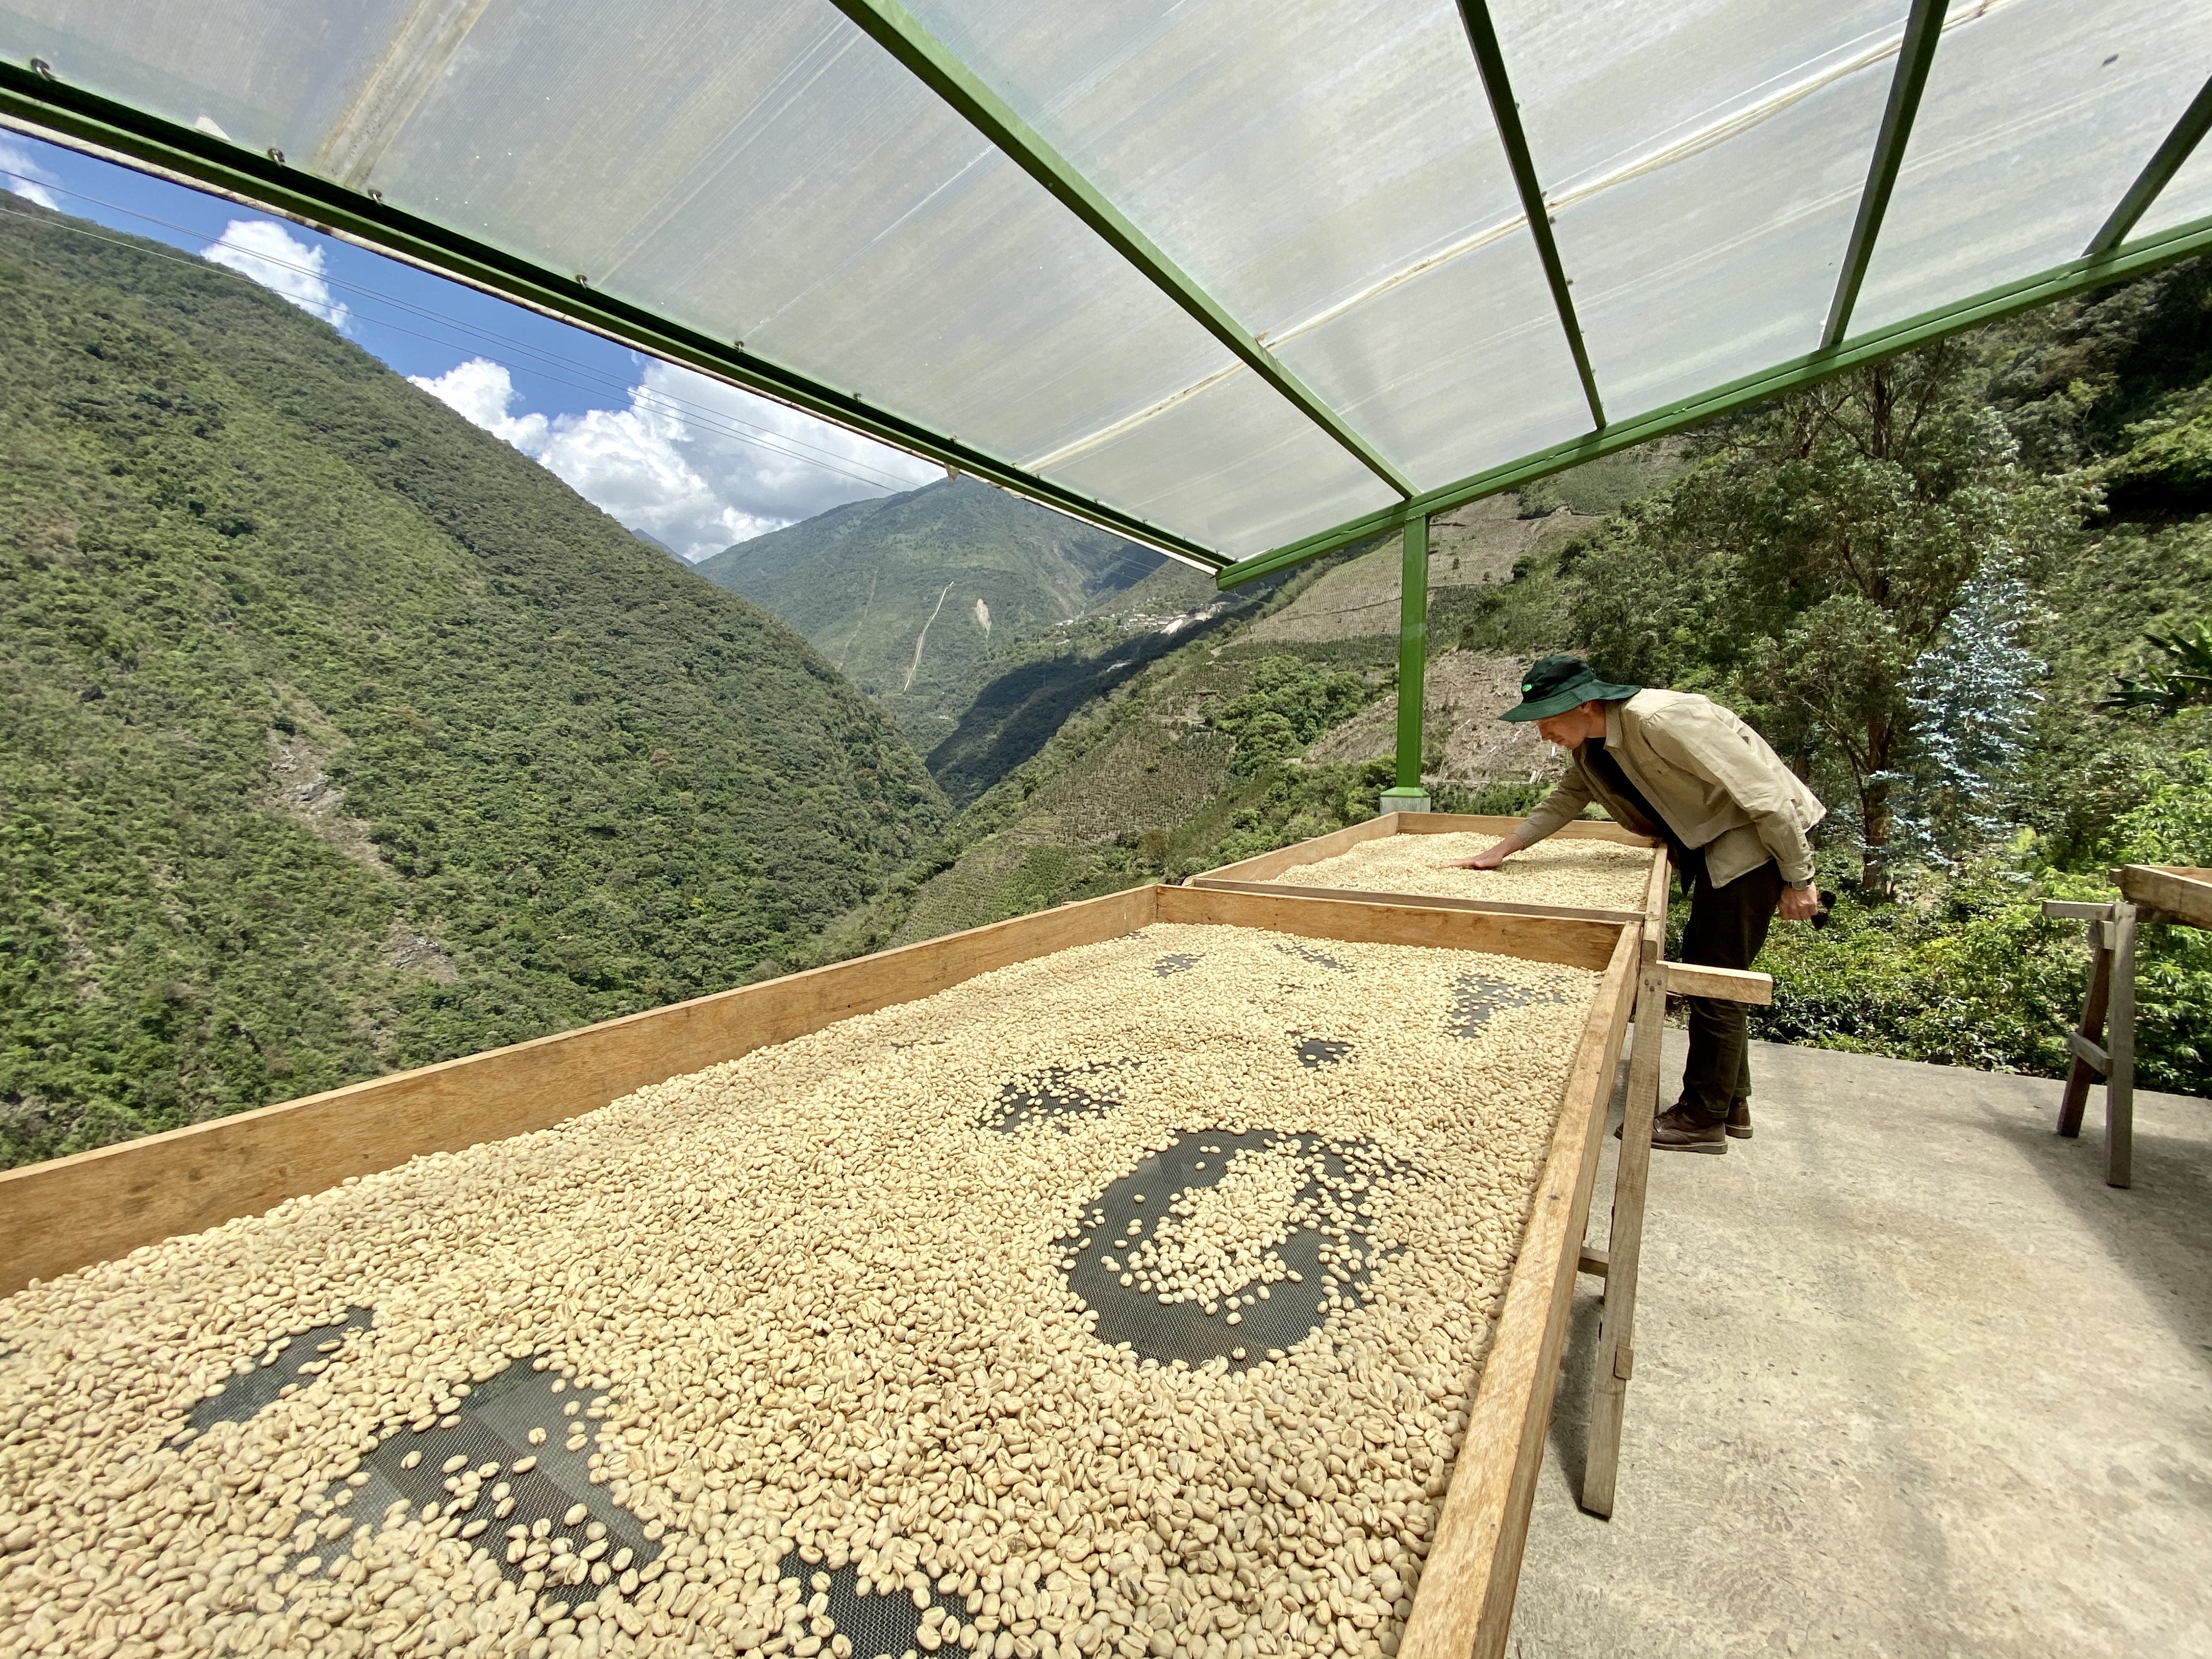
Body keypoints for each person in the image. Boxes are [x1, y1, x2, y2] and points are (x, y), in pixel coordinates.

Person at [1453, 655, 1823, 1153]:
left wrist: (1800, 879)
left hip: (1751, 840)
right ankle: (1730, 1100)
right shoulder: (1593, 747)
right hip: (1709, 841)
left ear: (1585, 705)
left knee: (1713, 975)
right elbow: (1565, 799)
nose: (1542, 735)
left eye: (1547, 721)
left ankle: (1702, 1118)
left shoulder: (1661, 719)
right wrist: (1502, 849)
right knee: (1713, 968)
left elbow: (1767, 798)